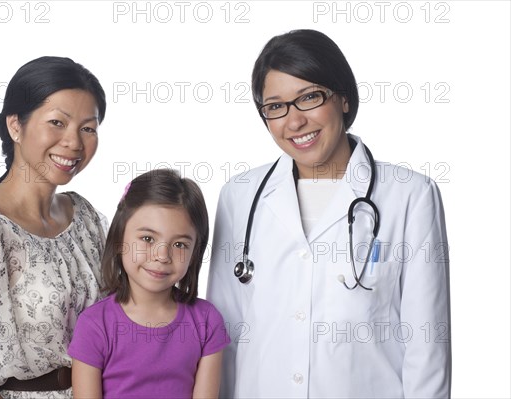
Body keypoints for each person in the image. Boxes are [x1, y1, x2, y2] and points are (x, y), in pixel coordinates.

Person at [207, 29, 451, 398]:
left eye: (309, 98)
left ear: (343, 99)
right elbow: (222, 335)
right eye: (275, 106)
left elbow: (426, 346)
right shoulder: (239, 197)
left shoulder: (410, 195)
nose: (294, 122)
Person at [0, 56, 108, 399]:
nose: (74, 142)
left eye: (88, 128)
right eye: (57, 122)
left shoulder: (86, 216)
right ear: (15, 126)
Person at [69, 169, 230, 399]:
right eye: (147, 239)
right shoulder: (94, 325)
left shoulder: (207, 321)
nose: (162, 255)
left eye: (180, 245)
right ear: (119, 238)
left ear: (196, 252)